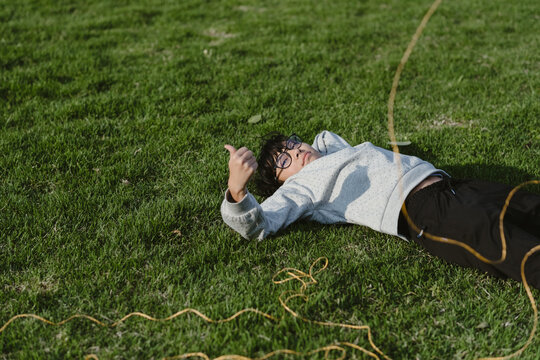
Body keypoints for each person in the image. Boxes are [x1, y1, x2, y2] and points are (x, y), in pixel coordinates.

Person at [221, 131, 540, 289]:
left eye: (292, 144)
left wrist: (313, 148)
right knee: (510, 246)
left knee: (529, 204)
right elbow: (260, 225)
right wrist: (238, 189)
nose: (295, 152)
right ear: (282, 182)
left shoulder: (334, 151)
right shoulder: (300, 188)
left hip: (454, 185)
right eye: (283, 162)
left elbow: (327, 139)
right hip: (424, 212)